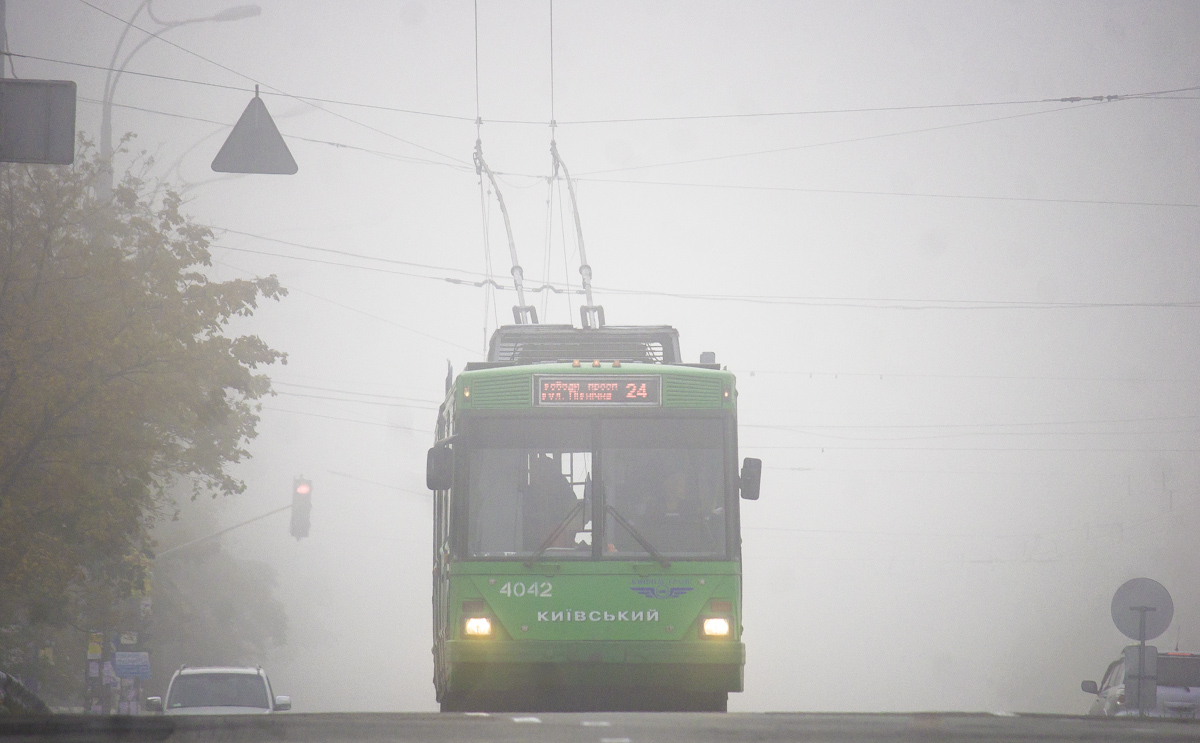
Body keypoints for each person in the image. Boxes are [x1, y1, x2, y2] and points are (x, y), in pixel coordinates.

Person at [522, 454, 580, 551]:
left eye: (548, 470)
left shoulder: (564, 489)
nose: (544, 475)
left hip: (564, 546)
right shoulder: (529, 491)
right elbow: (524, 518)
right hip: (531, 551)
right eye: (540, 471)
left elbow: (575, 514)